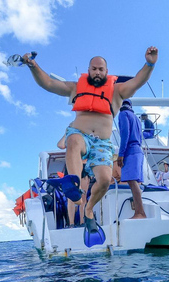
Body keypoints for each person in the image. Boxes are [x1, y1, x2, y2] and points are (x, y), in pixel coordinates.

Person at [23, 46, 158, 230]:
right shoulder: (76, 88)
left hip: (102, 143)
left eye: (100, 69)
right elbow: (48, 83)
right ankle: (73, 184)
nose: (97, 72)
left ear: (106, 72)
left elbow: (137, 81)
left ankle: (88, 209)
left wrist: (149, 63)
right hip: (81, 135)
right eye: (94, 68)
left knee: (104, 180)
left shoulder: (117, 91)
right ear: (88, 70)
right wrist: (33, 66)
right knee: (73, 140)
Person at [117, 99, 146, 219]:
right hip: (139, 150)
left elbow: (125, 134)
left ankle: (140, 213)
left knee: (132, 182)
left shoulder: (123, 114)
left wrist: (121, 153)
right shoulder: (136, 117)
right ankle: (138, 210)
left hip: (130, 151)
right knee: (136, 182)